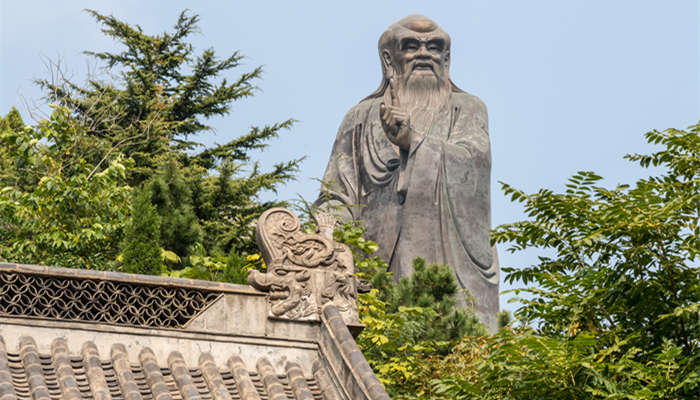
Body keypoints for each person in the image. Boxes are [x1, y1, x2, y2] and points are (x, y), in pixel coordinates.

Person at [315, 14, 498, 329]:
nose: (424, 54)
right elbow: (337, 195)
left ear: (446, 58)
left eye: (434, 47)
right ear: (389, 59)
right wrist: (330, 240)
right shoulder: (360, 118)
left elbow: (474, 165)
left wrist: (413, 140)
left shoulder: (467, 108)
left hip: (450, 261)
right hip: (377, 262)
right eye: (411, 46)